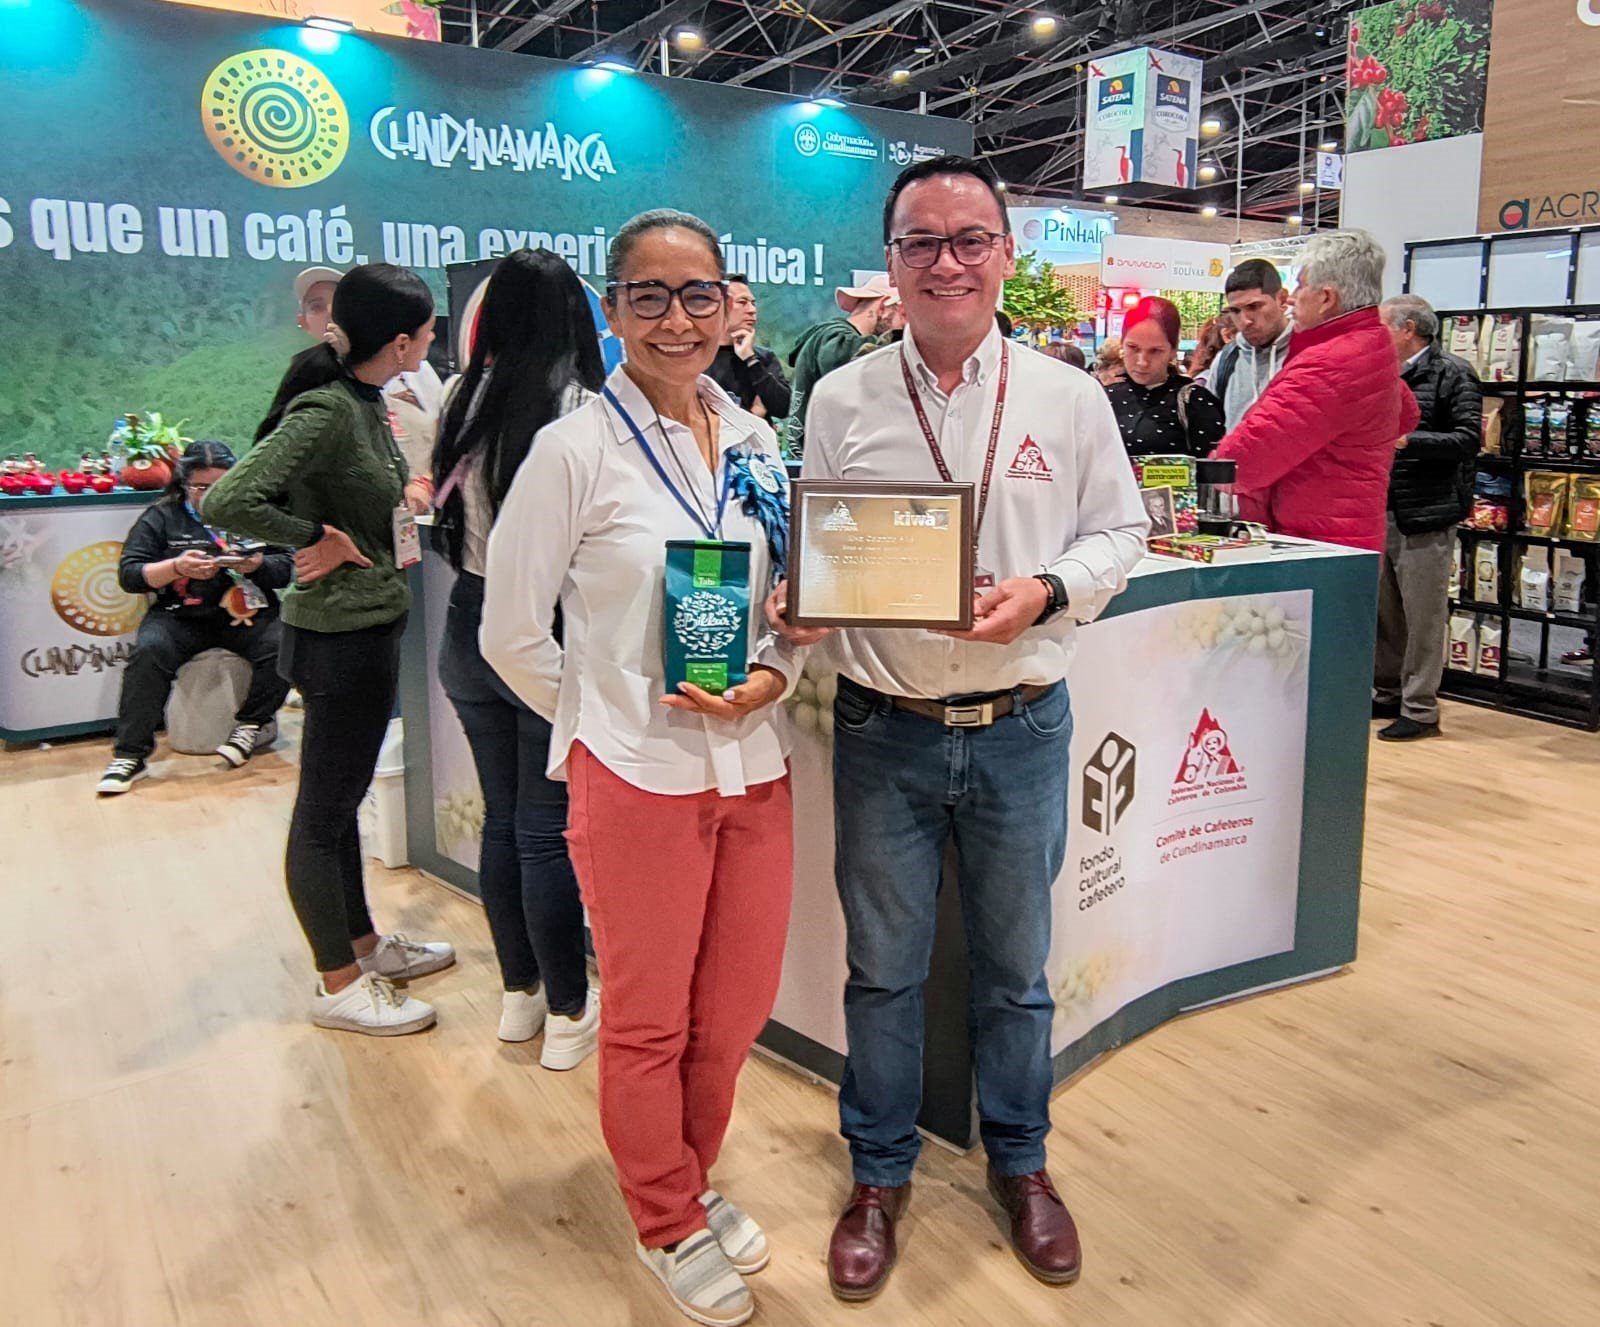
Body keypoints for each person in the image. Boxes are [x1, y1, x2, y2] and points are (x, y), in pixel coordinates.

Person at [772, 155, 1147, 1302]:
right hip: (883, 727)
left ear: (1004, 254)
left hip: (1021, 729)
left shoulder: (1067, 397)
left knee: (1015, 972)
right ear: (890, 261)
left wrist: (1045, 588)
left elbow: (1121, 532)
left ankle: (1021, 1161)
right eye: (921, 241)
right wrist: (803, 601)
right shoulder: (841, 398)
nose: (947, 261)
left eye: (969, 238)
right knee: (881, 972)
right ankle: (877, 1174)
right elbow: (827, 551)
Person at [480, 210, 798, 1327]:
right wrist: (600, 721)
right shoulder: (571, 451)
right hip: (634, 776)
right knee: (651, 1018)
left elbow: (786, 604)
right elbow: (509, 634)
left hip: (752, 763)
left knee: (734, 1010)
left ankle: (690, 1177)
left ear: (727, 302)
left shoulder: (755, 443)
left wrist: (776, 673)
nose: (676, 319)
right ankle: (663, 1215)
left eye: (697, 293)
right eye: (648, 296)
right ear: (612, 310)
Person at [203, 263, 455, 1038]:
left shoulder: (363, 401)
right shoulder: (328, 409)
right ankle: (338, 980)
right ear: (402, 341)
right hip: (338, 637)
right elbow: (228, 498)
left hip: (366, 626)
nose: (433, 343)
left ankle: (364, 946)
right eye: (428, 332)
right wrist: (313, 535)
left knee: (340, 804)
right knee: (323, 814)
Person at [430, 249, 605, 1056]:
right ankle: (570, 1010)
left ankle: (520, 993)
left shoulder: (461, 395)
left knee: (504, 821)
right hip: (543, 626)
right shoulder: (579, 408)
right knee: (544, 831)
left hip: (467, 621)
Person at [95, 441, 294, 795]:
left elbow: (287, 567)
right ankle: (130, 754)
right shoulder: (163, 516)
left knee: (284, 644)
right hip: (180, 615)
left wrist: (256, 564)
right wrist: (176, 567)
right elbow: (130, 575)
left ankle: (250, 724)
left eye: (221, 485)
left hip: (248, 613)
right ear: (184, 483)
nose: (210, 494)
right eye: (201, 487)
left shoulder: (257, 511)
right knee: (149, 654)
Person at [1212, 230, 1419, 552]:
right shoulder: (1373, 346)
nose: (1292, 298)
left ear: (1326, 298)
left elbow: (1237, 463)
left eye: (1300, 285)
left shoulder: (1328, 364)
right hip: (1352, 535)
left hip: (1312, 543)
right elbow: (1407, 415)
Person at [1374, 294, 1482, 741]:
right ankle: (1386, 692)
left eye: (1383, 325)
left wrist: (1407, 441)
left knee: (1423, 616)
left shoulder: (1454, 373)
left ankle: (1420, 709)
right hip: (1382, 507)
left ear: (1408, 329)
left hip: (1427, 512)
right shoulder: (1382, 373)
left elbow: (1468, 439)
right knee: (1386, 612)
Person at [785, 274, 899, 452]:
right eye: (903, 314)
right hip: (823, 459)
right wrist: (899, 338)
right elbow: (855, 365)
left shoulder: (824, 337)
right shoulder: (835, 339)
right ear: (883, 307)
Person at [1105, 296, 1227, 458]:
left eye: (1155, 351)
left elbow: (1212, 466)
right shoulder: (1104, 397)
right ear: (1122, 343)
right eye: (1133, 348)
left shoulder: (1195, 402)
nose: (1142, 362)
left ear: (1173, 350)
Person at [1215, 258, 1293, 429]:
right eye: (1235, 311)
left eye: (1254, 306)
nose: (1245, 321)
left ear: (1281, 299)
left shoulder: (1309, 354)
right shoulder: (1226, 359)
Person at [705, 274, 792, 420]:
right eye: (742, 302)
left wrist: (750, 359)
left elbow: (783, 408)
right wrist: (754, 415)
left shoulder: (763, 357)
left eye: (753, 303)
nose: (752, 310)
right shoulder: (698, 357)